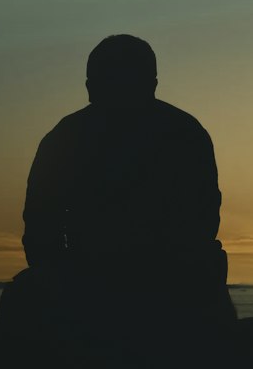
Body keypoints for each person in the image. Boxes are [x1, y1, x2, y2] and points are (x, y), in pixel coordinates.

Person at [21, 33, 235, 331]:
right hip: (97, 275)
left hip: (163, 275)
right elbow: (41, 227)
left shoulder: (182, 133)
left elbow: (40, 225)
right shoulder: (185, 131)